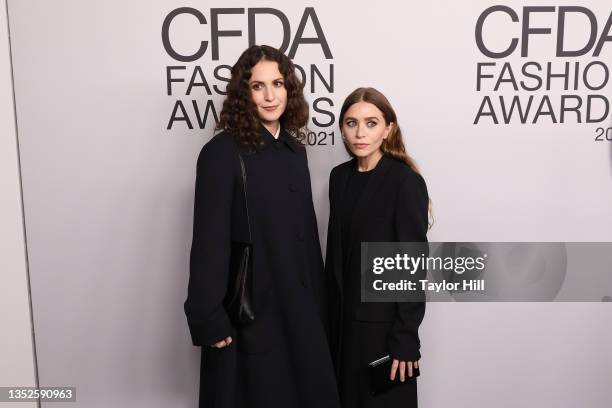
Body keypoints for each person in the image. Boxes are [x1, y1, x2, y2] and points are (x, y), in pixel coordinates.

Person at [184, 45, 340, 408]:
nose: (270, 96)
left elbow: (305, 239)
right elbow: (209, 241)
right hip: (255, 311)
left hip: (300, 307)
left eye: (278, 84)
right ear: (243, 93)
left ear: (290, 89)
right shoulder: (221, 153)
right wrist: (207, 314)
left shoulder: (294, 150)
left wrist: (320, 306)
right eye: (257, 86)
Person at [325, 87, 430, 408]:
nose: (360, 133)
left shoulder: (404, 181)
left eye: (371, 123)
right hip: (340, 331)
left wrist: (405, 339)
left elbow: (413, 266)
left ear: (388, 129)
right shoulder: (338, 178)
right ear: (342, 128)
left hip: (383, 335)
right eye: (351, 123)